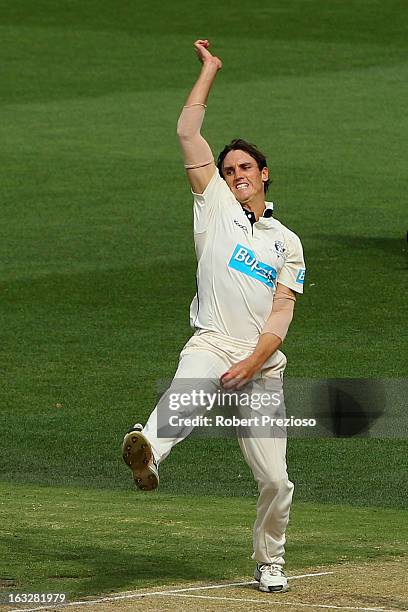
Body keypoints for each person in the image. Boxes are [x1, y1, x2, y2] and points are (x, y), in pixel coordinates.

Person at [122, 40, 306, 593]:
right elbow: (186, 133)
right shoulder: (215, 205)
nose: (235, 174)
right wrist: (210, 70)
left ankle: (270, 561)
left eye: (245, 167)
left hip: (261, 364)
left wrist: (254, 362)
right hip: (213, 340)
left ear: (265, 174)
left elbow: (280, 315)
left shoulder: (287, 242)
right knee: (183, 395)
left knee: (276, 479)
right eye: (228, 169)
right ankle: (147, 451)